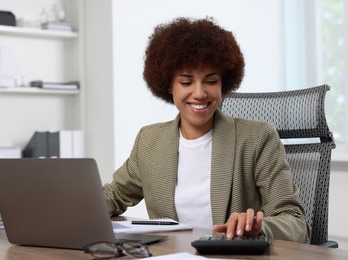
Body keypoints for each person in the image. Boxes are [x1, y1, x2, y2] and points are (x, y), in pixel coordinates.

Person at [103, 17, 309, 243]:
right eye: (186, 82)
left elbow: (295, 223)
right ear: (168, 86)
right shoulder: (149, 141)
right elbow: (113, 196)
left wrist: (259, 229)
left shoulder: (257, 139)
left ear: (224, 84)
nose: (199, 93)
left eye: (210, 81)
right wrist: (70, 205)